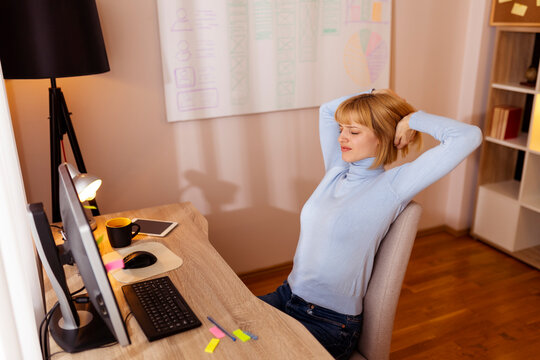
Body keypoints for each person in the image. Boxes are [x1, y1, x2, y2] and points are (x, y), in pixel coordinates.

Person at [259, 89, 482, 359]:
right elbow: (327, 111)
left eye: (354, 132)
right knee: (220, 329)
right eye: (342, 129)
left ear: (382, 137)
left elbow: (469, 137)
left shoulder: (394, 185)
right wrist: (374, 93)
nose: (341, 137)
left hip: (327, 322)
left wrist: (411, 119)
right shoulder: (337, 169)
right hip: (287, 295)